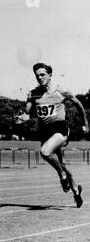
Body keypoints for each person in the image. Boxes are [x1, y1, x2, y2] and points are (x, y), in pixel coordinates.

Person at [16, 62, 89, 208]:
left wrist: (85, 123)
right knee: (61, 163)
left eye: (43, 75)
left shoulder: (61, 91)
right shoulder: (33, 94)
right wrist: (21, 118)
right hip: (45, 132)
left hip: (60, 130)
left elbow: (79, 105)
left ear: (50, 75)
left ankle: (62, 176)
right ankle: (76, 190)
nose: (40, 78)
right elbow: (27, 114)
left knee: (45, 152)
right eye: (37, 76)